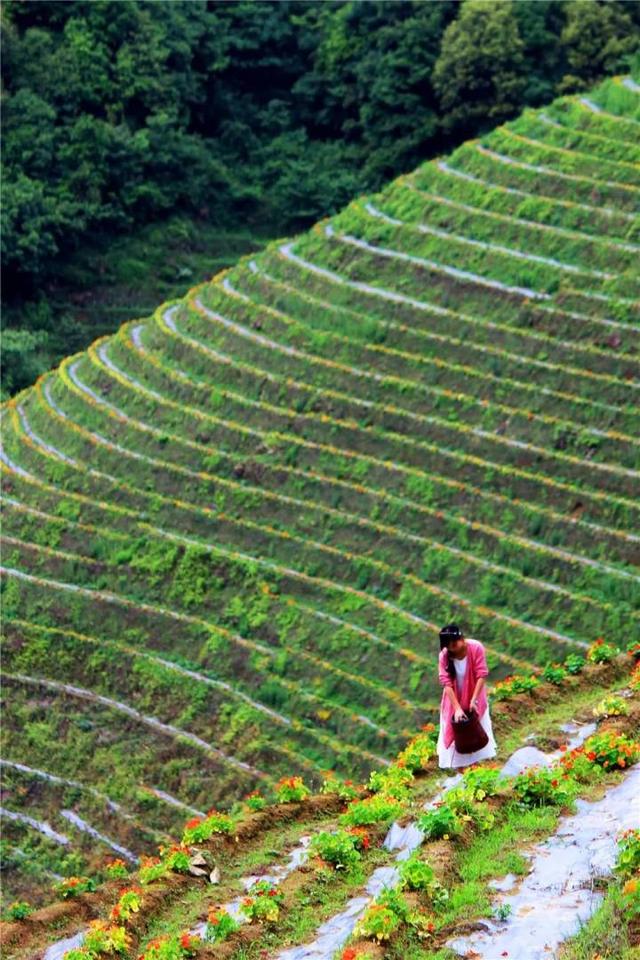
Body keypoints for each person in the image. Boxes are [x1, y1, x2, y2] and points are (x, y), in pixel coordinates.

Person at [436, 622, 497, 770]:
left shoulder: (476, 647)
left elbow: (481, 675)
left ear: (462, 638)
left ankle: (477, 770)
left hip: (474, 695)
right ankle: (463, 772)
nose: (452, 647)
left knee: (476, 731)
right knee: (458, 734)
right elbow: (446, 683)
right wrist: (457, 708)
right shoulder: (444, 656)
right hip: (453, 700)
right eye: (448, 645)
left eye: (454, 642)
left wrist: (474, 699)